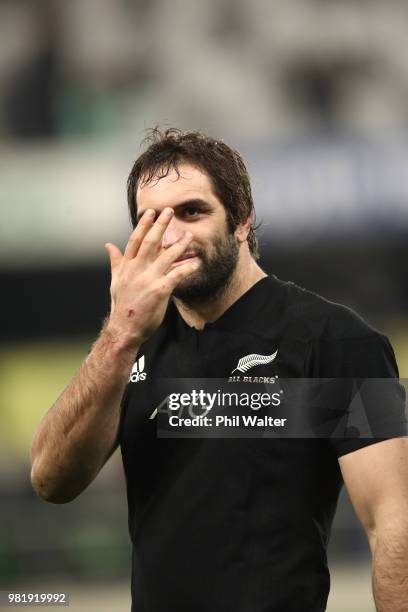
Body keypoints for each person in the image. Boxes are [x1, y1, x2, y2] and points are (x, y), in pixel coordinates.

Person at [31, 128, 408, 612]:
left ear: (242, 219)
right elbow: (50, 481)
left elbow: (392, 521)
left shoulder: (341, 341)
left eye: (192, 211)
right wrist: (120, 337)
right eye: (151, 219)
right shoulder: (129, 347)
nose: (172, 234)